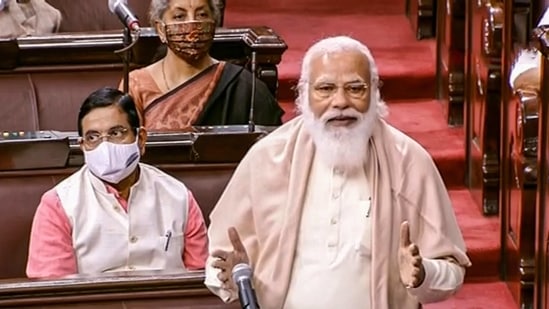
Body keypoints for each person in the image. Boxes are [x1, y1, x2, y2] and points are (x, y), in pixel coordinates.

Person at [204, 36, 472, 308]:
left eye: (356, 88)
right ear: (303, 93)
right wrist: (230, 278)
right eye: (326, 89)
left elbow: (452, 269)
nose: (340, 102)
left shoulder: (409, 162)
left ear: (375, 91)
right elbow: (220, 262)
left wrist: (423, 273)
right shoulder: (267, 158)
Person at [26, 87, 208, 279]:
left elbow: (201, 279)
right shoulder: (58, 204)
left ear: (141, 139)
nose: (105, 146)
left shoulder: (178, 196)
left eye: (116, 133)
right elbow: (53, 292)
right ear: (82, 147)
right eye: (93, 137)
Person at [121, 0, 284, 131]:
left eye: (201, 14)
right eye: (179, 16)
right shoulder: (136, 85)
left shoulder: (244, 86)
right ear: (160, 29)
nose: (192, 24)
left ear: (214, 23)